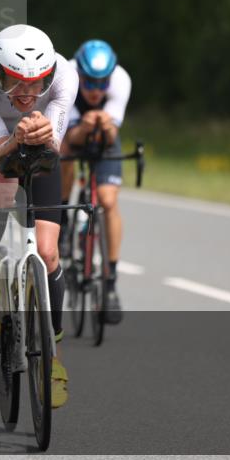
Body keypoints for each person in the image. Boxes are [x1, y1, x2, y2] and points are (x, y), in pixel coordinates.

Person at [0, 24, 78, 408]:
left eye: (38, 83)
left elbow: (50, 151)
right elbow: (2, 153)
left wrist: (39, 133)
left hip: (38, 141)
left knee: (49, 251)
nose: (27, 93)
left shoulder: (65, 78)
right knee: (3, 190)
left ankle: (53, 359)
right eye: (14, 82)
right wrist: (18, 137)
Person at [60, 39, 132, 323]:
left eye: (102, 84)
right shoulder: (65, 76)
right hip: (72, 132)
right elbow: (72, 135)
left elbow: (112, 136)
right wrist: (85, 125)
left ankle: (110, 283)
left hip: (105, 138)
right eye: (89, 82)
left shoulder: (121, 80)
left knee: (107, 200)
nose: (95, 90)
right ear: (79, 74)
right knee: (63, 155)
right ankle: (64, 220)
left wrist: (104, 124)